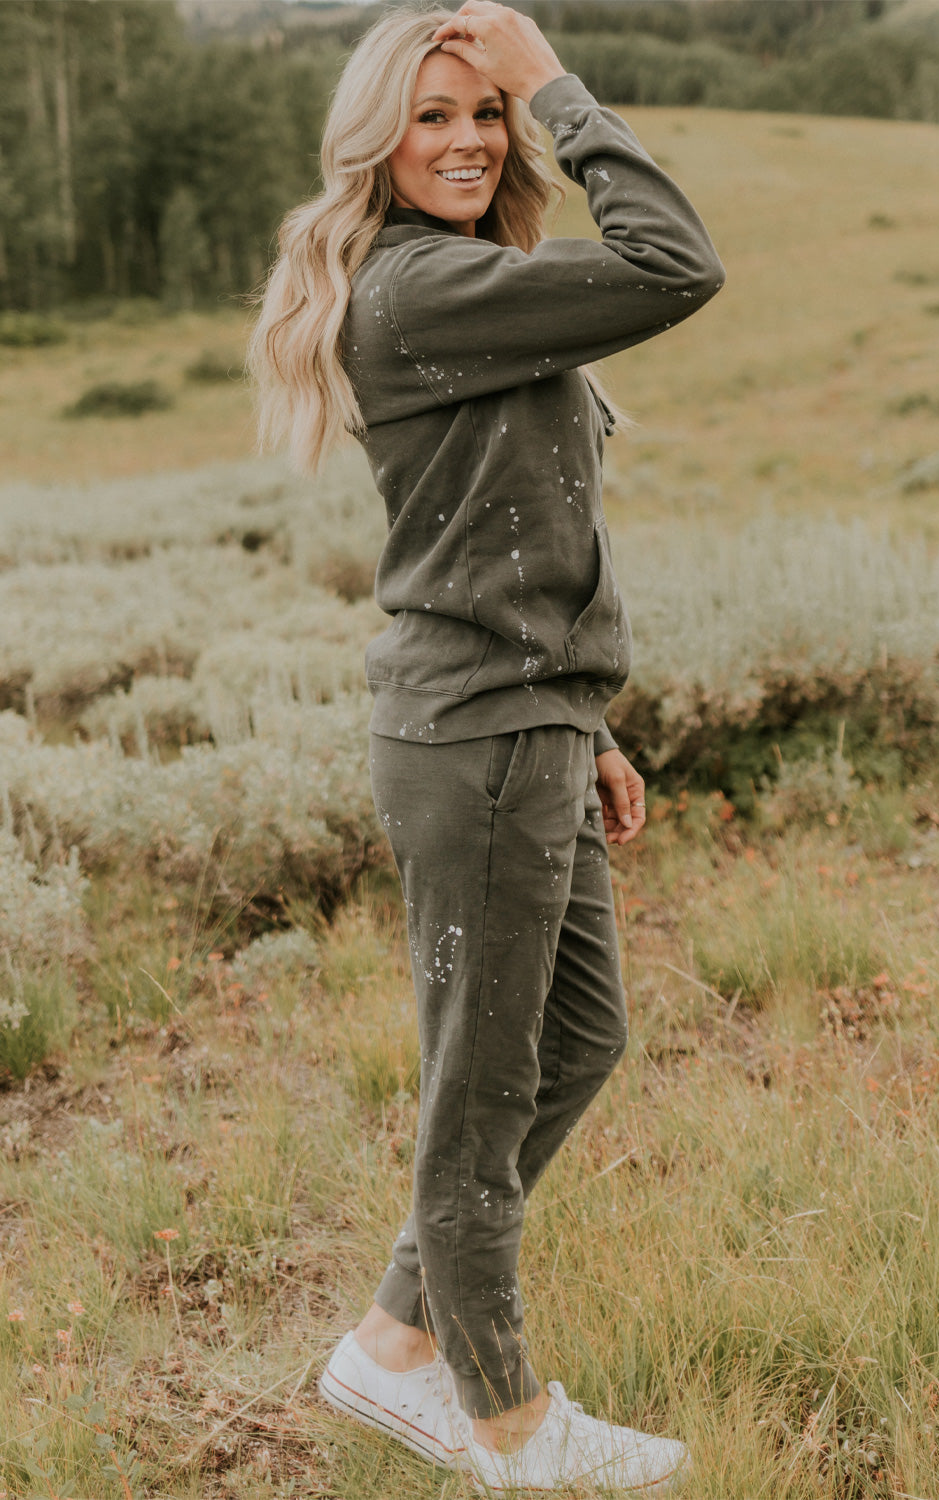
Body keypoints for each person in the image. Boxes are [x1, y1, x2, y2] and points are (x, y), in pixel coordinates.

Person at [250, 1, 724, 1490]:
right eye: (435, 113)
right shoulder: (418, 290)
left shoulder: (477, 280)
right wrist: (554, 82)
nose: (467, 138)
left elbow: (518, 531)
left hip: (526, 722)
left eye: (485, 113)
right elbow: (677, 262)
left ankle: (390, 1348)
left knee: (577, 1041)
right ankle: (510, 1426)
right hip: (474, 742)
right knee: (481, 1099)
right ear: (376, 140)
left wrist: (589, 719)